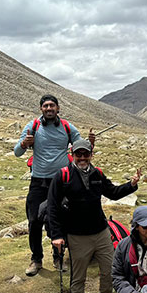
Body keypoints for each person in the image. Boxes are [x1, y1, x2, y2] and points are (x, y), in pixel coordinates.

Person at [47, 139, 140, 293]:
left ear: (91, 154)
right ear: (72, 154)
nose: (82, 157)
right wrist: (56, 235)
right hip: (76, 235)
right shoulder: (62, 176)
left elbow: (113, 193)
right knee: (78, 277)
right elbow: (52, 207)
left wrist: (131, 185)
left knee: (110, 270)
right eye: (78, 154)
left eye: (85, 154)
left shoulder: (97, 174)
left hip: (101, 232)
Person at [14, 94, 92, 277]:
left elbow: (80, 147)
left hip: (63, 182)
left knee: (60, 219)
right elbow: (17, 152)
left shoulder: (67, 127)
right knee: (34, 221)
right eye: (45, 106)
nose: (49, 109)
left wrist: (90, 143)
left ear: (58, 108)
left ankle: (58, 257)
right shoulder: (32, 126)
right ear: (41, 109)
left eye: (52, 106)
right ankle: (36, 259)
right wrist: (25, 144)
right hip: (38, 181)